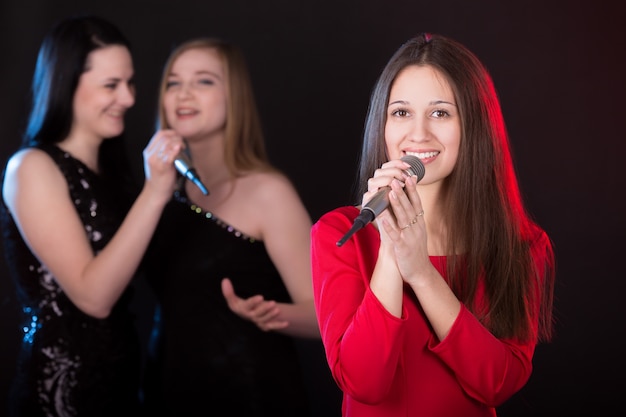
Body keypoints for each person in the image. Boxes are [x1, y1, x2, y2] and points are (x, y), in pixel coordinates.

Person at [310, 33, 556, 417]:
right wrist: (392, 250)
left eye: (440, 113)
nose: (419, 134)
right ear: (383, 123)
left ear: (473, 125)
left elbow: (499, 382)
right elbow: (364, 383)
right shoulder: (339, 233)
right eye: (401, 112)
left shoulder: (520, 245)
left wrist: (422, 273)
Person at [0, 15, 184, 417]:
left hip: (120, 386)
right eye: (110, 85)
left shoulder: (114, 174)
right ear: (66, 84)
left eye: (129, 83)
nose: (129, 99)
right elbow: (94, 297)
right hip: (62, 396)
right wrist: (155, 192)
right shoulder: (30, 167)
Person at [140, 38, 320, 416]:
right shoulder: (162, 190)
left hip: (251, 394)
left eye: (203, 81)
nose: (184, 93)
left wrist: (271, 314)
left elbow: (325, 317)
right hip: (168, 390)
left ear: (233, 95)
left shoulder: (269, 192)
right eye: (173, 82)